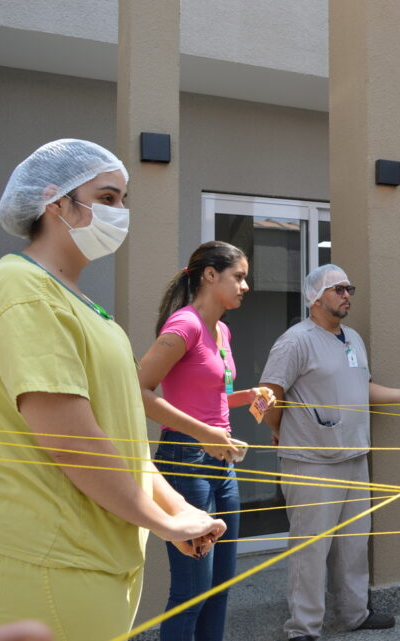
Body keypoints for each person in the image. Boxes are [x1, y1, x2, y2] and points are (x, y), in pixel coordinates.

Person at [0, 140, 225, 640]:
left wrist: (177, 510)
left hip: (96, 561)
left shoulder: (83, 304)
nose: (121, 213)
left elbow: (123, 439)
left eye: (123, 200)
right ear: (55, 204)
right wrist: (161, 523)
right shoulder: (20, 288)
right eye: (108, 198)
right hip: (47, 562)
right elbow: (74, 440)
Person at [258, 264, 400, 641]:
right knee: (311, 549)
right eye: (338, 289)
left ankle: (353, 614)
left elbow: (360, 387)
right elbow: (265, 396)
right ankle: (303, 628)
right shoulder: (295, 341)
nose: (347, 294)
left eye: (349, 288)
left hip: (353, 457)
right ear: (315, 298)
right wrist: (277, 428)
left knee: (353, 545)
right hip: (311, 463)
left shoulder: (352, 338)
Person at [137, 241, 276, 641]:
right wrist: (203, 433)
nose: (245, 286)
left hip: (220, 464)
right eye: (239, 276)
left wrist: (246, 398)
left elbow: (206, 398)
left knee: (218, 587)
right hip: (185, 462)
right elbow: (140, 390)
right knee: (192, 591)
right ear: (210, 275)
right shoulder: (185, 325)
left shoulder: (222, 330)